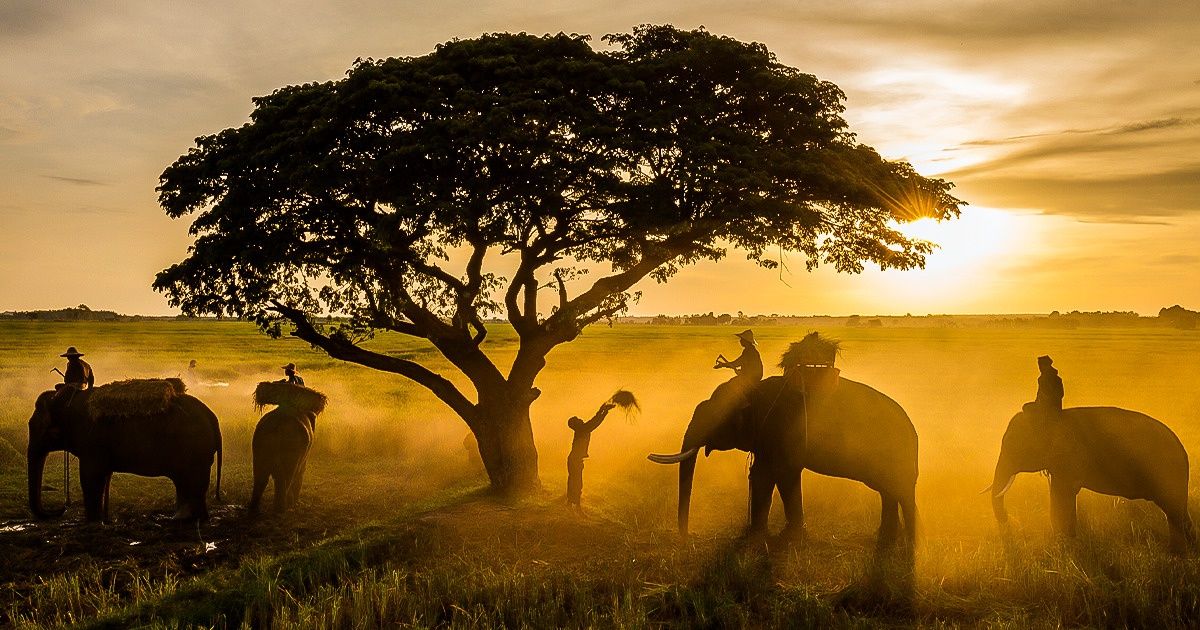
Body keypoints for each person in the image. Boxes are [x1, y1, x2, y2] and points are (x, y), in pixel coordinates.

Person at [566, 401, 616, 508]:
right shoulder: (583, 429)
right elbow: (595, 422)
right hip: (575, 460)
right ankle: (575, 505)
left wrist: (602, 410)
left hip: (574, 459)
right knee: (577, 482)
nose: (580, 419)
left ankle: (571, 503)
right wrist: (603, 411)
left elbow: (594, 421)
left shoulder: (582, 428)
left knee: (573, 480)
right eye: (577, 419)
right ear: (575, 425)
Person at [1023, 355, 1063, 419]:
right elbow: (1039, 394)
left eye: (1042, 365)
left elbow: (1059, 394)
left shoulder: (1054, 379)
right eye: (1039, 366)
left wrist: (1045, 403)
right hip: (1043, 405)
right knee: (1026, 407)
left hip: (1051, 407)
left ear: (1047, 365)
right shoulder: (1042, 379)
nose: (1040, 368)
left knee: (1027, 408)